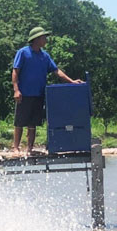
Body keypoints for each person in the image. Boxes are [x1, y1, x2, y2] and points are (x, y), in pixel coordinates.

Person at [11, 26, 82, 154]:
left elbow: (57, 71)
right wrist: (16, 90)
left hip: (38, 94)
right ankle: (16, 147)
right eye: (44, 37)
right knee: (20, 121)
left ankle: (30, 148)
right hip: (24, 93)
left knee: (33, 123)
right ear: (36, 39)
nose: (46, 40)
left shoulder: (45, 56)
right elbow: (15, 71)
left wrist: (71, 81)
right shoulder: (23, 52)